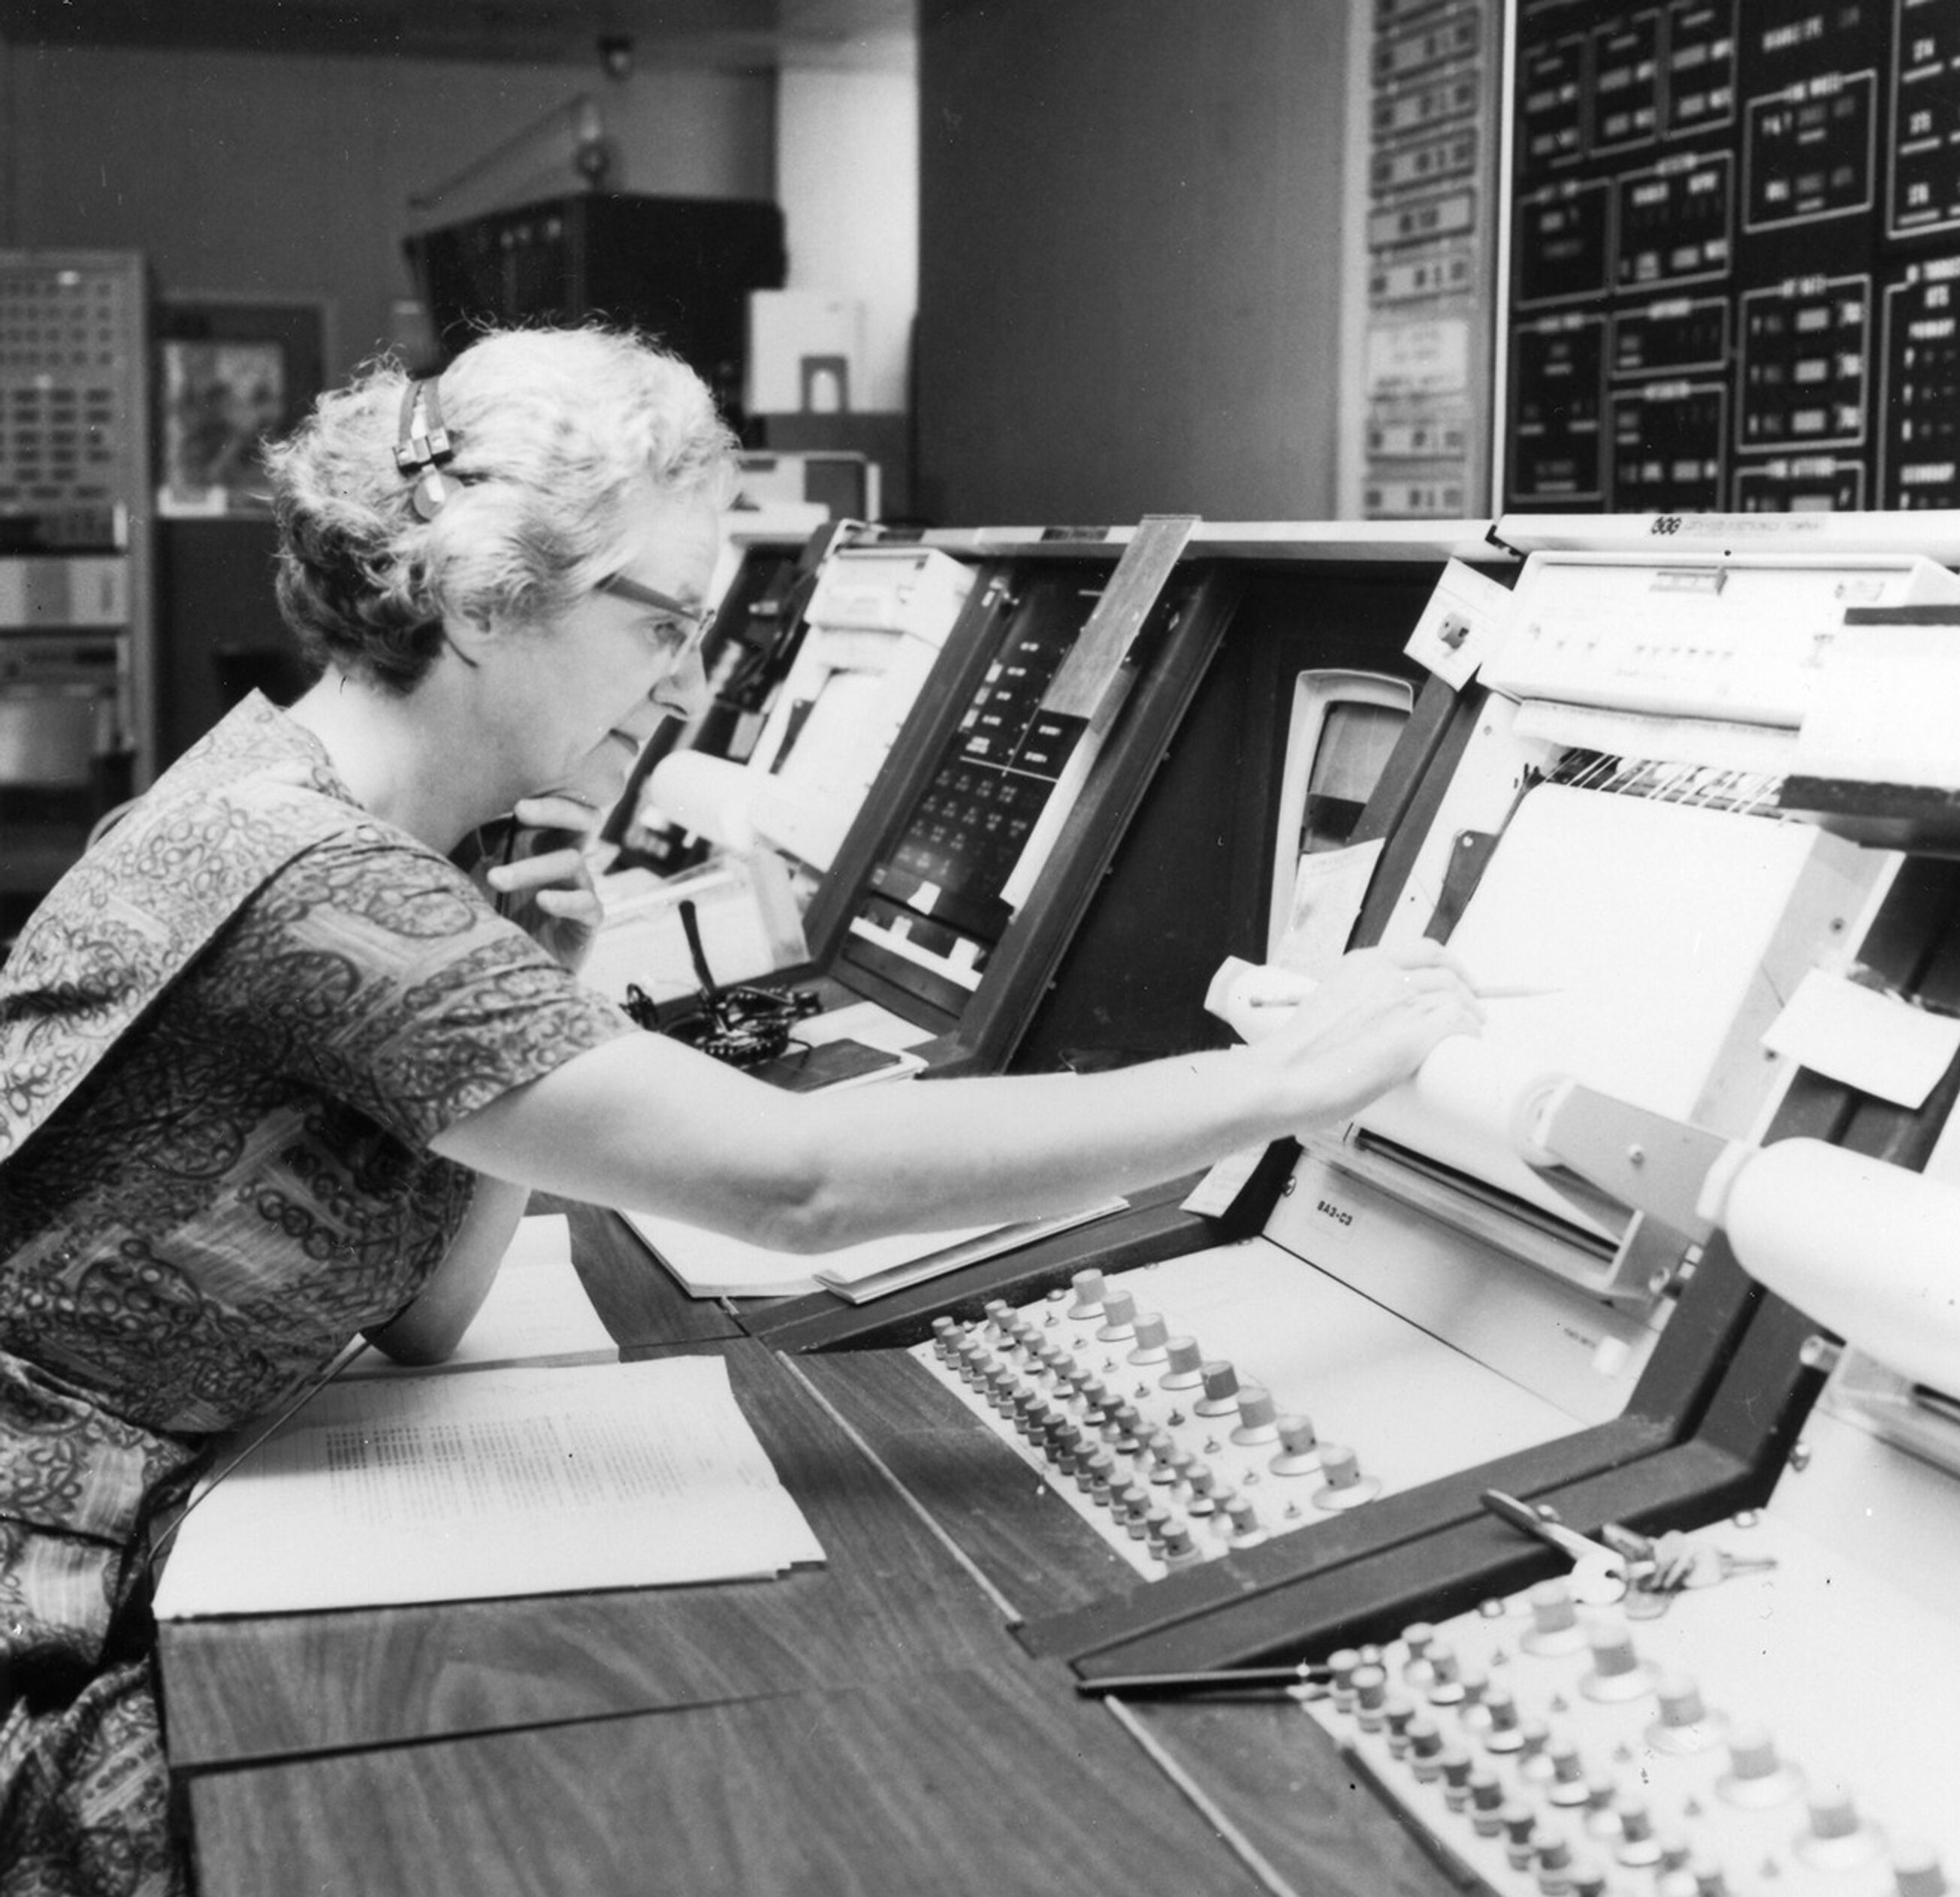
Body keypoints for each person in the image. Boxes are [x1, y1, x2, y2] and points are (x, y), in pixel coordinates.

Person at [0, 325, 1481, 1895]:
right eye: (664, 621)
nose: (686, 681)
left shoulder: (294, 803)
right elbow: (798, 1186)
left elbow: (429, 1319)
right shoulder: (323, 894)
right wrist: (1288, 1079)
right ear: (489, 595)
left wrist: (536, 981)